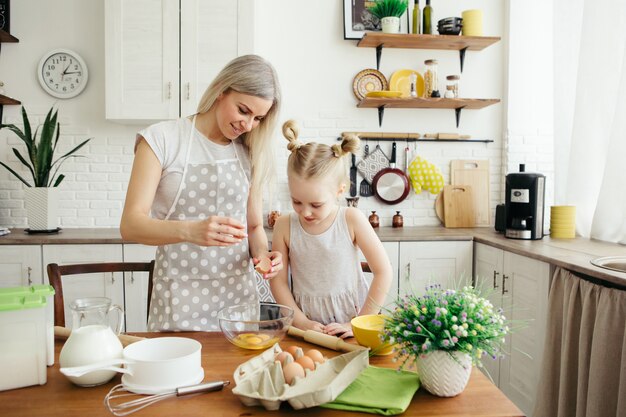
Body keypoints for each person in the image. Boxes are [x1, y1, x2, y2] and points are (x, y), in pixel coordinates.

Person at [120, 55, 283, 331]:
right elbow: (130, 225)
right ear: (221, 90)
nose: (248, 124)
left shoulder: (249, 149)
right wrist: (190, 231)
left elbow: (253, 226)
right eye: (243, 110)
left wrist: (264, 256)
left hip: (237, 304)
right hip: (178, 301)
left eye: (258, 118)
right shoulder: (163, 139)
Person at [269, 120, 392, 338]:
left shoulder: (351, 219)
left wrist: (357, 323)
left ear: (339, 191)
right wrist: (303, 322)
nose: (305, 212)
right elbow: (278, 283)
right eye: (296, 202)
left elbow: (384, 272)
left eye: (316, 205)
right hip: (304, 327)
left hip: (352, 325)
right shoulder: (284, 226)